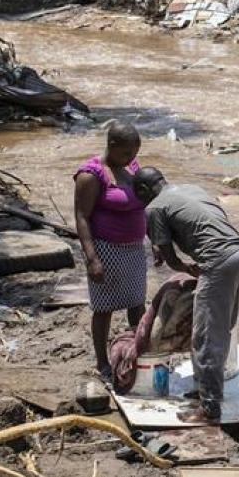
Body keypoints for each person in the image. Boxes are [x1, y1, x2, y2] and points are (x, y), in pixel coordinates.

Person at [134, 167, 239, 423]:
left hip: (218, 262)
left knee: (206, 335)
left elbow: (171, 259)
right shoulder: (191, 189)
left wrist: (185, 267)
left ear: (143, 190)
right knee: (221, 329)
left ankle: (209, 408)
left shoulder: (154, 207)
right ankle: (204, 391)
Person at [74, 123, 146, 380]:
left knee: (137, 305)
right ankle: (102, 362)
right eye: (127, 153)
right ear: (112, 146)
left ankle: (136, 355)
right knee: (104, 308)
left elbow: (144, 205)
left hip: (135, 250)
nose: (132, 158)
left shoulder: (132, 167)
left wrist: (156, 241)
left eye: (135, 153)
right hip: (106, 250)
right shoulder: (91, 174)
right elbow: (82, 217)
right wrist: (92, 259)